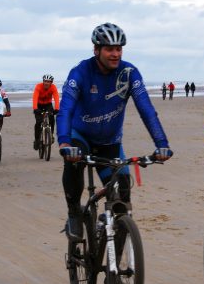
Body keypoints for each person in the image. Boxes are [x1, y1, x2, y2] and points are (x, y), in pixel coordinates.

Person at [57, 22, 173, 240]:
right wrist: (64, 142)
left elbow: (146, 110)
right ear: (96, 50)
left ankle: (116, 267)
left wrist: (162, 144)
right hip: (79, 137)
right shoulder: (80, 72)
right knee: (72, 165)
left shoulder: (129, 73)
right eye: (109, 49)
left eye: (119, 49)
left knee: (123, 196)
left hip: (110, 142)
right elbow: (65, 110)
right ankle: (74, 212)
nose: (115, 54)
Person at [32, 74, 60, 150]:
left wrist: (57, 109)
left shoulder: (53, 87)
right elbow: (35, 97)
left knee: (51, 118)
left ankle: (51, 134)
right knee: (38, 122)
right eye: (45, 81)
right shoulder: (38, 86)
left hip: (48, 105)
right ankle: (37, 140)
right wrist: (35, 108)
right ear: (43, 81)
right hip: (39, 105)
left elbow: (56, 97)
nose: (46, 83)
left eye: (48, 82)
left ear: (51, 82)